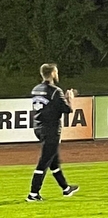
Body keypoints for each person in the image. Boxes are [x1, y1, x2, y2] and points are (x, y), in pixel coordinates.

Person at [26, 63, 80, 201]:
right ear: (52, 73)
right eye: (56, 71)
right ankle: (33, 194)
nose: (57, 74)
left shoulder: (36, 89)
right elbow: (67, 110)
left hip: (38, 127)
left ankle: (66, 188)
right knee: (44, 161)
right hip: (51, 129)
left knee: (53, 161)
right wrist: (70, 99)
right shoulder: (56, 91)